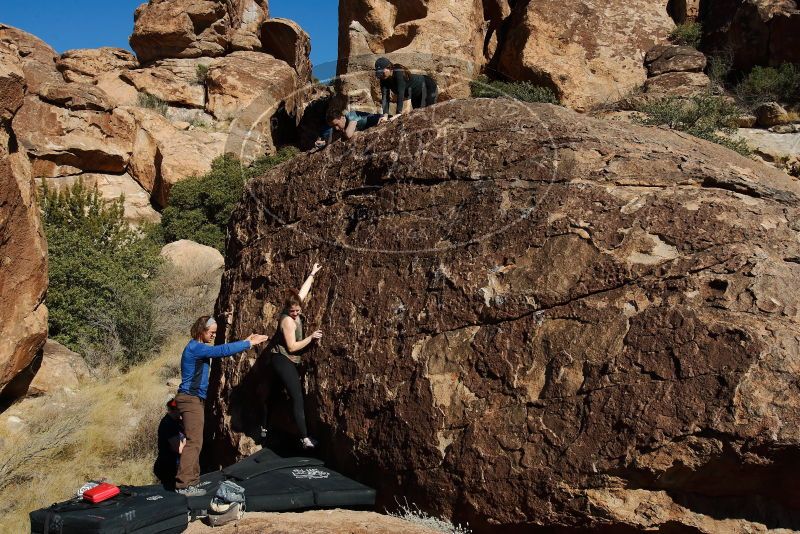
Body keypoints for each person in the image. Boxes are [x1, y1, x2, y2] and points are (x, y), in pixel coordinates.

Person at [174, 316, 269, 496]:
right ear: (201, 330)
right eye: (211, 332)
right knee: (193, 442)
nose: (213, 336)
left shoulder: (197, 347)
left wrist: (245, 341)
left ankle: (192, 481)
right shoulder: (195, 347)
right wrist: (247, 344)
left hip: (194, 399)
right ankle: (184, 485)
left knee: (196, 441)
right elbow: (222, 350)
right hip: (190, 398)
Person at [269, 262, 323, 449]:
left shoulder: (296, 302)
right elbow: (292, 347)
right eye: (292, 311)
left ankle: (269, 426)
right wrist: (311, 337)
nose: (295, 313)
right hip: (281, 358)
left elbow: (303, 291)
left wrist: (312, 274)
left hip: (289, 358)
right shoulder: (287, 322)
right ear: (287, 309)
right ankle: (304, 438)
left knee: (278, 394)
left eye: (297, 310)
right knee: (296, 396)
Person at [374, 57, 438, 116]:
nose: (381, 75)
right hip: (414, 94)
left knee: (428, 113)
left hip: (428, 86)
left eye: (382, 72)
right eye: (379, 74)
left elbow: (400, 93)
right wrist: (385, 116)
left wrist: (398, 114)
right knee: (419, 115)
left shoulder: (398, 72)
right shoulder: (384, 78)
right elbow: (385, 97)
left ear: (389, 67)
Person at [153, 398, 185, 490]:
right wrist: (190, 438)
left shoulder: (176, 421)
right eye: (181, 410)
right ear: (174, 410)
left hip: (172, 466)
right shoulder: (168, 424)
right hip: (168, 468)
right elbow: (179, 449)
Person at [314, 109, 388, 148]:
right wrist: (324, 143)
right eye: (333, 126)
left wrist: (339, 133)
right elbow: (332, 139)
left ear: (342, 117)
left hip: (382, 119)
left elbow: (348, 134)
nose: (336, 128)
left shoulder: (351, 115)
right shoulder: (337, 126)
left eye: (336, 124)